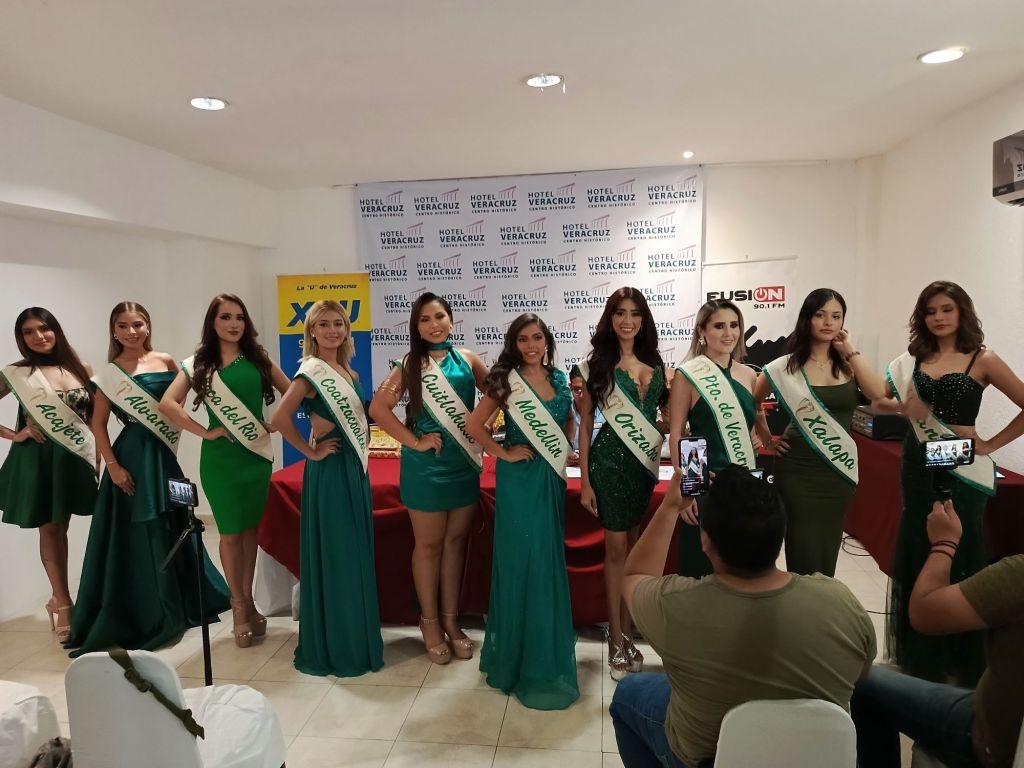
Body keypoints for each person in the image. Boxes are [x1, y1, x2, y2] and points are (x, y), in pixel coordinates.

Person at [610, 465, 876, 768]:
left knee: (628, 693)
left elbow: (634, 577)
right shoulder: (840, 601)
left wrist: (670, 506)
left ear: (705, 541)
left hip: (707, 758)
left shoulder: (676, 606)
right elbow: (862, 672)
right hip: (814, 758)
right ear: (780, 532)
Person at [66, 302, 230, 656]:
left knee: (177, 518)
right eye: (123, 326)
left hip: (164, 457)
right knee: (145, 529)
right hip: (133, 457)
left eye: (137, 324)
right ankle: (155, 608)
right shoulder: (110, 374)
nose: (131, 331)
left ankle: (185, 596)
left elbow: (178, 403)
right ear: (114, 331)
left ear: (147, 326)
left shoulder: (166, 361)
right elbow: (98, 424)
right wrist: (113, 466)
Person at [885, 281, 1024, 686]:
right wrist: (900, 406)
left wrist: (991, 444)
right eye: (930, 311)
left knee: (960, 547)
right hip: (917, 463)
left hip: (961, 464)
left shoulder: (983, 359)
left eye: (947, 308)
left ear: (962, 311)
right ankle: (922, 652)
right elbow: (889, 402)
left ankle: (960, 654)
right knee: (918, 542)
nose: (939, 317)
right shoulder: (915, 358)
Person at [851, 499, 1024, 768]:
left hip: (992, 740)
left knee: (863, 685)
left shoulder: (1016, 577)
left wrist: (944, 544)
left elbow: (925, 612)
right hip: (991, 707)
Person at [160, 294, 290, 648]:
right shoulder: (198, 364)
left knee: (251, 533)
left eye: (239, 317)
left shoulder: (258, 358)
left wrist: (276, 422)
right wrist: (204, 432)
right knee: (231, 533)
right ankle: (238, 606)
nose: (234, 324)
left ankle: (249, 601)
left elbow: (293, 391)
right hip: (220, 461)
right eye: (225, 317)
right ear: (212, 323)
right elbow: (167, 403)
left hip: (255, 457)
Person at [466, 313, 579, 710]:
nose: (531, 346)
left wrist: (567, 447)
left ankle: (541, 649)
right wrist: (503, 452)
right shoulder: (505, 381)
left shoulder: (560, 379)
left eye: (537, 338)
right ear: (513, 345)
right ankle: (515, 658)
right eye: (523, 339)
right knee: (521, 561)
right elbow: (474, 425)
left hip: (550, 476)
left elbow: (568, 418)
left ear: (547, 341)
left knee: (545, 561)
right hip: (519, 480)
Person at [368, 292, 488, 664]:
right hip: (427, 469)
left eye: (439, 316)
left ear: (451, 319)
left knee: (455, 543)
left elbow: (498, 396)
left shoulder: (468, 359)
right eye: (425, 319)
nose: (434, 325)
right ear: (416, 327)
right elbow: (379, 409)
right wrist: (414, 441)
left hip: (463, 464)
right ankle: (429, 621)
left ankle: (451, 620)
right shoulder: (409, 365)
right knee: (429, 545)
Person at [270, 300, 383, 677]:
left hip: (353, 466)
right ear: (312, 331)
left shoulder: (348, 371)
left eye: (339, 323)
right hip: (331, 470)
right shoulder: (309, 372)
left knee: (353, 553)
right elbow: (279, 418)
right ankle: (338, 644)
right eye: (324, 324)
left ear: (347, 330)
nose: (333, 330)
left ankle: (355, 638)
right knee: (337, 554)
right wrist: (310, 452)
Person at [752, 288, 887, 577]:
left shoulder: (849, 365)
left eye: (836, 316)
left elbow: (878, 393)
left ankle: (822, 596)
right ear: (807, 319)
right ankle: (803, 599)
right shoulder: (784, 367)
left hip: (837, 470)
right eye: (820, 315)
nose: (828, 322)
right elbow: (753, 401)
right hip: (797, 469)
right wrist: (766, 438)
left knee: (828, 541)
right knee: (802, 544)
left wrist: (850, 350)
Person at [578, 287, 668, 679]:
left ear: (643, 319)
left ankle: (629, 635)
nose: (627, 321)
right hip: (610, 466)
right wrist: (585, 481)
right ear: (610, 319)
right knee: (616, 552)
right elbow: (584, 427)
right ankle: (615, 639)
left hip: (643, 468)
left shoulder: (656, 362)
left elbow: (662, 418)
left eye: (634, 313)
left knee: (632, 552)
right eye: (620, 313)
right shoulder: (596, 366)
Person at [0, 308, 96, 642]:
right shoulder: (16, 373)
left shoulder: (80, 369)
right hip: (38, 460)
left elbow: (92, 419)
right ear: (21, 338)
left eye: (43, 328)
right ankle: (64, 602)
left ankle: (58, 597)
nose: (38, 336)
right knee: (51, 527)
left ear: (55, 330)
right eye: (28, 332)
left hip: (74, 458)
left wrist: (99, 456)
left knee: (62, 526)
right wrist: (15, 434)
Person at [670, 299, 762, 579]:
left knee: (742, 564)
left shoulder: (749, 375)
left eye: (734, 325)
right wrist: (687, 490)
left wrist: (756, 439)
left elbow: (748, 427)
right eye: (719, 326)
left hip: (744, 481)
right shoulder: (687, 375)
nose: (728, 333)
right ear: (702, 331)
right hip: (704, 484)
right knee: (702, 568)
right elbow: (677, 434)